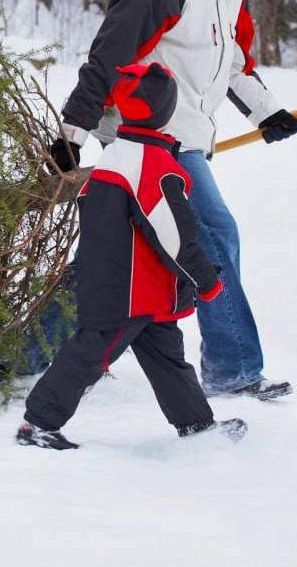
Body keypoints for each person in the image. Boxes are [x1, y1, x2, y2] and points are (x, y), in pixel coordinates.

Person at [49, 0, 297, 401]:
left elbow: (227, 59)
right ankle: (233, 370)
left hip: (182, 133)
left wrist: (266, 111)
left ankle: (29, 349)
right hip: (150, 136)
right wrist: (72, 130)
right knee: (212, 235)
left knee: (120, 250)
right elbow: (110, 54)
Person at [17, 62, 244, 450]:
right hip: (129, 291)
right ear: (167, 112)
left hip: (136, 289)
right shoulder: (154, 167)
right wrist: (206, 281)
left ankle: (196, 423)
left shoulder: (114, 157)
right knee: (91, 355)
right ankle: (38, 424)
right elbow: (174, 236)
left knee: (168, 358)